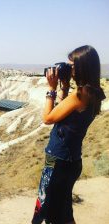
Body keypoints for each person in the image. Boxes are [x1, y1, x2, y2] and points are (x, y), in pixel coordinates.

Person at [32, 45, 106, 224]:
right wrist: (64, 86)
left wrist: (51, 89)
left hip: (58, 160)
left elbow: (48, 118)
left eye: (71, 66)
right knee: (63, 212)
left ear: (82, 67)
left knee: (48, 211)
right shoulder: (93, 92)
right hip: (72, 160)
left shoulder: (79, 94)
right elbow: (66, 113)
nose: (69, 70)